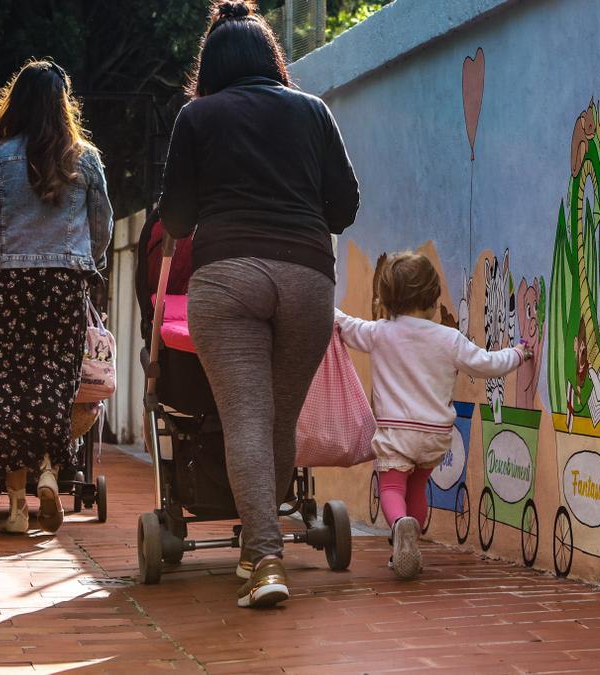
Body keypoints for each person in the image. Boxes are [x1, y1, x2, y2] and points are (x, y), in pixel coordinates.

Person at [159, 0, 359, 608]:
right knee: (276, 418)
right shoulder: (313, 111)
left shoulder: (197, 117)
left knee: (245, 417)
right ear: (271, 57)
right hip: (307, 280)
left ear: (212, 64)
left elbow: (175, 218)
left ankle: (265, 558)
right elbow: (345, 207)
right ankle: (259, 549)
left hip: (227, 279)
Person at [0, 59, 113, 535]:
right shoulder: (86, 159)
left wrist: (9, 259)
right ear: (62, 105)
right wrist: (80, 263)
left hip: (8, 284)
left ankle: (15, 505)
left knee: (5, 389)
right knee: (55, 385)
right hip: (64, 283)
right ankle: (51, 472)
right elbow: (102, 230)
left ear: (15, 103)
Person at [335, 253, 530, 579]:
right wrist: (519, 353)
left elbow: (344, 326)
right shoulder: (449, 338)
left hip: (397, 432)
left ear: (387, 299)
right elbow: (486, 364)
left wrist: (323, 302)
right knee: (417, 488)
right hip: (436, 435)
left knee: (393, 489)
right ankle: (410, 543)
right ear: (433, 298)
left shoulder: (380, 332)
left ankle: (400, 527)